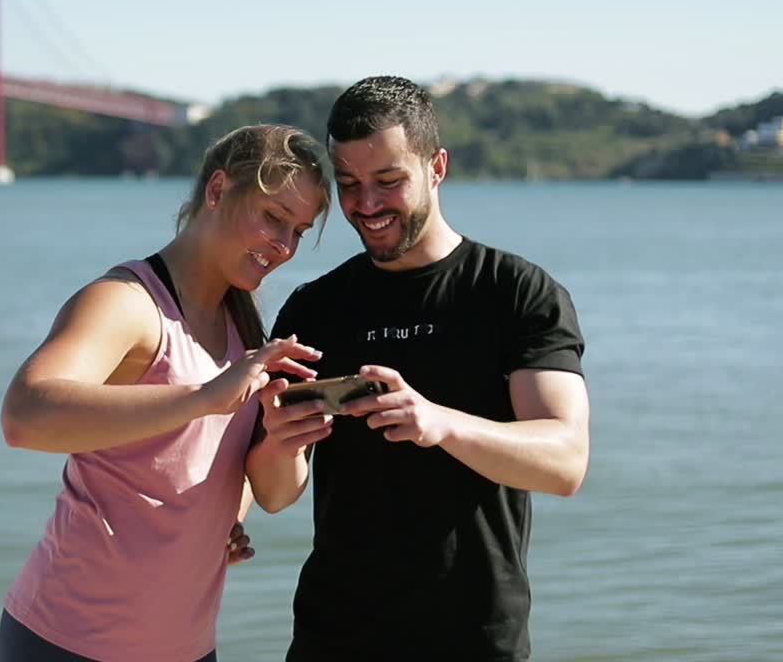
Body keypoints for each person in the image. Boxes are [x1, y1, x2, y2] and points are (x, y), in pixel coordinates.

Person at [245, 76, 591, 660]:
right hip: (333, 638)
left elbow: (565, 462)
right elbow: (276, 496)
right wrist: (279, 442)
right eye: (349, 184)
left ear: (436, 167)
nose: (367, 205)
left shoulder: (515, 292)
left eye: (388, 181)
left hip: (473, 639)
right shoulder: (315, 307)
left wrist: (438, 423)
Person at [0, 124, 332, 662]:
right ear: (218, 189)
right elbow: (23, 415)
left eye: (299, 230)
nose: (285, 245)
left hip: (186, 647)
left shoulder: (245, 326)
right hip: (69, 639)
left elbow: (272, 493)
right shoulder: (127, 303)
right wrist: (204, 396)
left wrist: (269, 458)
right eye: (274, 216)